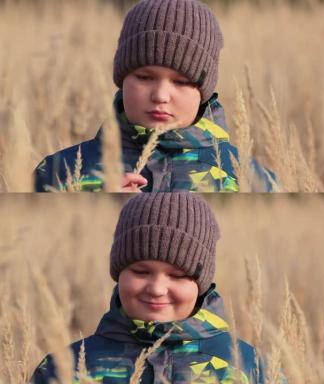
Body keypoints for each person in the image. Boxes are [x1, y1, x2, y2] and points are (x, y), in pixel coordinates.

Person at [34, 0, 276, 192]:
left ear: (204, 91)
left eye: (181, 82)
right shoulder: (59, 172)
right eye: (144, 77)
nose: (160, 95)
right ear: (122, 79)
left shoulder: (248, 178)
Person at [31, 193, 267, 382]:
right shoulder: (64, 368)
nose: (157, 289)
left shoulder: (248, 367)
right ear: (118, 272)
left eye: (178, 275)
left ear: (201, 283)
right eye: (141, 272)